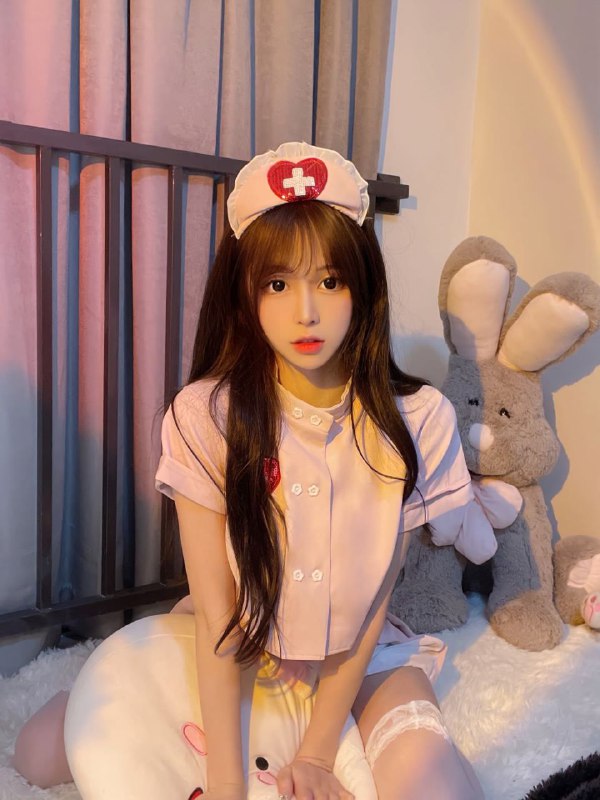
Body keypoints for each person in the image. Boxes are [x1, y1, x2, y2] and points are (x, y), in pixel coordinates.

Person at [13, 142, 488, 799]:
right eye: (277, 283)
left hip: (361, 659)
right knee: (38, 756)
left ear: (363, 286)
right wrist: (227, 785)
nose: (306, 312)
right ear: (244, 293)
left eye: (330, 281)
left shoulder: (417, 419)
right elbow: (219, 615)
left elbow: (375, 600)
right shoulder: (206, 416)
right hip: (239, 645)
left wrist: (318, 754)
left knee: (437, 787)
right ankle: (104, 679)